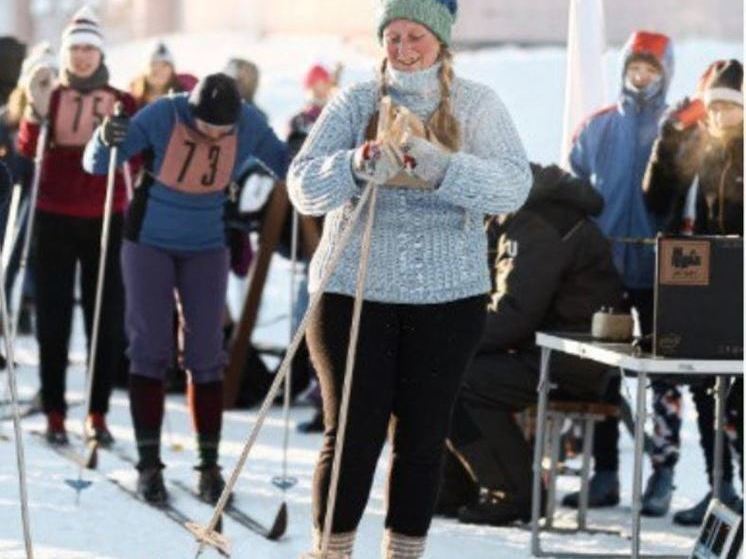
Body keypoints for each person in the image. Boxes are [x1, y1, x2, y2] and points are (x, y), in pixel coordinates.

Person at [287, 0, 532, 555]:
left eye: (414, 34)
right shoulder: (355, 100)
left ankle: (402, 553)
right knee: (351, 434)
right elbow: (301, 184)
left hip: (445, 296)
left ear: (440, 39)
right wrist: (352, 165)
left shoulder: (476, 104)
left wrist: (443, 168)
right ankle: (332, 551)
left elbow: (513, 186)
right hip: (353, 288)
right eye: (392, 36)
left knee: (423, 440)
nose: (402, 48)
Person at [83, 73, 288, 505]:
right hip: (149, 242)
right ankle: (149, 465)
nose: (214, 134)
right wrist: (105, 137)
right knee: (150, 349)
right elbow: (98, 164)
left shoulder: (248, 123)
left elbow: (287, 163)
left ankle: (209, 466)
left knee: (206, 354)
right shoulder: (164, 114)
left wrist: (314, 153)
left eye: (222, 130)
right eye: (205, 126)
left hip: (206, 245)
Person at [436, 164, 623, 526]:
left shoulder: (536, 222)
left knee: (457, 380)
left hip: (572, 357)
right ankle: (455, 490)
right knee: (441, 371)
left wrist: (450, 340)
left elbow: (513, 314)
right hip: (552, 348)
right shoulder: (525, 211)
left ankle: (515, 493)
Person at [566, 30, 674, 509]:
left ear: (664, 73)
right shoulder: (598, 126)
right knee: (602, 371)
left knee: (663, 375)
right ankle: (604, 470)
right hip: (605, 266)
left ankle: (662, 473)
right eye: (635, 68)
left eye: (651, 70)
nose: (642, 77)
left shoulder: (676, 128)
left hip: (660, 270)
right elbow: (573, 185)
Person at [16, 7, 134, 446]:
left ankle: (97, 412)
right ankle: (54, 409)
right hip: (55, 215)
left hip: (106, 215)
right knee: (54, 316)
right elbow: (30, 150)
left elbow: (136, 158)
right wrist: (33, 109)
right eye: (76, 49)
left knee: (104, 318)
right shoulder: (53, 92)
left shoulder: (120, 99)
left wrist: (123, 141)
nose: (83, 57)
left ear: (100, 52)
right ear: (67, 53)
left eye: (90, 49)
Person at [641, 59, 743, 523]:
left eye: (731, 108)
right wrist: (667, 144)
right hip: (705, 292)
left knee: (738, 401)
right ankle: (721, 490)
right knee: (709, 393)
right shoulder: (700, 147)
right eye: (715, 107)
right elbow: (655, 200)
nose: (721, 116)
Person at [289, 63, 336, 434]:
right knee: (307, 314)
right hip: (311, 233)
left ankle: (329, 401)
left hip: (337, 229)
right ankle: (311, 389)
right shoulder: (301, 120)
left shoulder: (343, 115)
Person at [129, 41, 197, 109]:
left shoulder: (186, 91)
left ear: (172, 69)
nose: (159, 70)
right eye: (154, 65)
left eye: (165, 65)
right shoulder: (133, 100)